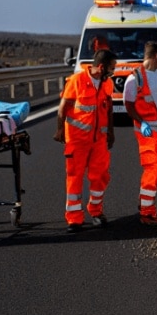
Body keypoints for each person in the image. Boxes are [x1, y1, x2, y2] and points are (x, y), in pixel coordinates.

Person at [54, 49, 116, 232]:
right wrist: (59, 130)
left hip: (99, 141)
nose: (114, 71)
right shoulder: (77, 81)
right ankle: (74, 219)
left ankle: (96, 211)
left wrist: (111, 133)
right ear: (102, 67)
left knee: (100, 176)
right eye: (112, 68)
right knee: (74, 178)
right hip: (77, 140)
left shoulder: (107, 84)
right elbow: (63, 108)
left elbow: (109, 109)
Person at [123, 42, 157, 226]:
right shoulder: (135, 78)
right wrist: (142, 122)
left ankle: (147, 194)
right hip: (148, 131)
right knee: (152, 168)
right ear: (155, 55)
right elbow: (128, 105)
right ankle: (147, 213)